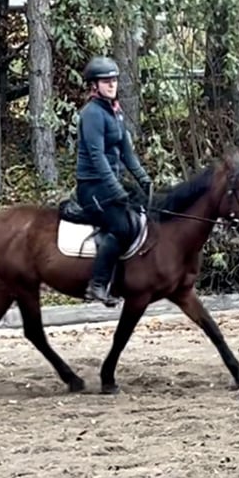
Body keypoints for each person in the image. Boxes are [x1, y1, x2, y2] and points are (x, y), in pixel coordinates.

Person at [75, 55, 152, 306]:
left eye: (114, 80)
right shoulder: (93, 114)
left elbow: (127, 153)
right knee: (121, 226)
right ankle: (97, 285)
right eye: (106, 81)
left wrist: (143, 179)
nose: (112, 84)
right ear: (94, 85)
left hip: (111, 182)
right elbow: (97, 157)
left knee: (146, 209)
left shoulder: (115, 112)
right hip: (92, 186)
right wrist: (116, 189)